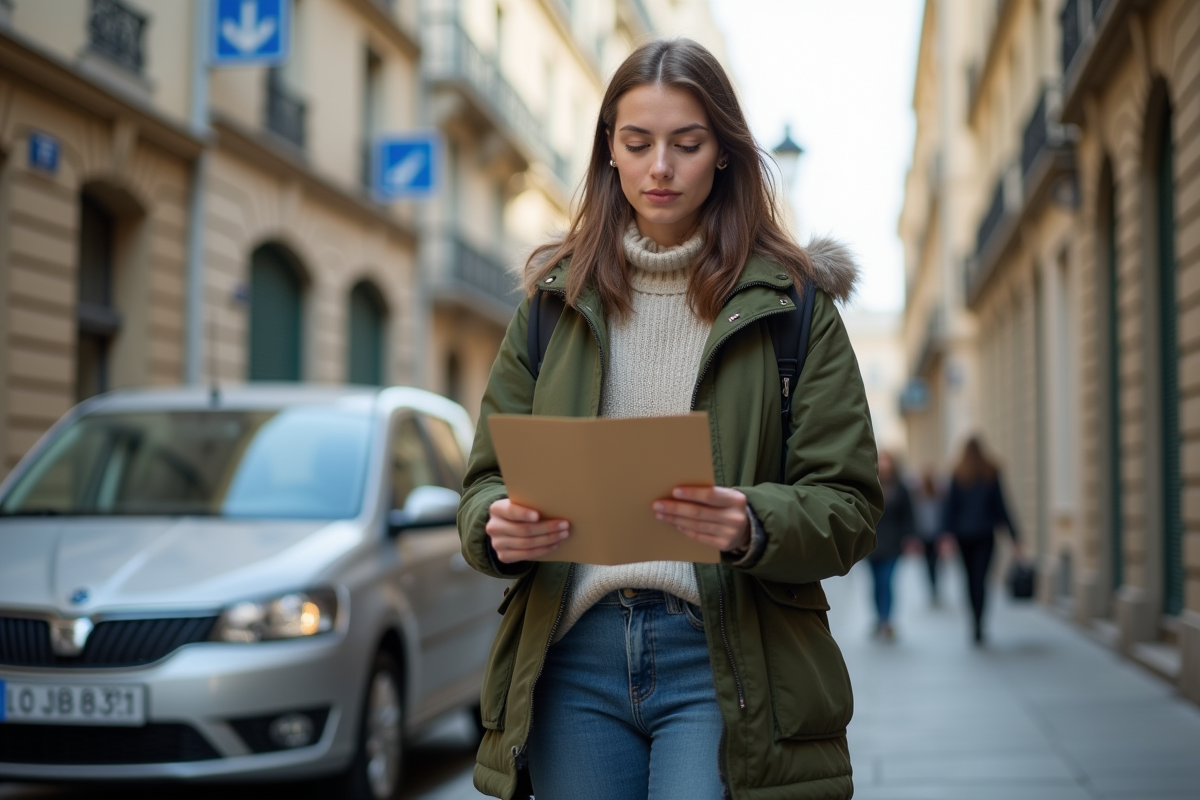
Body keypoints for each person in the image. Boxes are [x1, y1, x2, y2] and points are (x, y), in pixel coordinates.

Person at [456, 38, 882, 800]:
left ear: (722, 152)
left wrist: (751, 520)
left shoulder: (795, 307)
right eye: (637, 142)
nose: (660, 167)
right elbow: (485, 480)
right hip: (571, 657)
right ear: (608, 152)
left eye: (687, 144)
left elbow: (849, 507)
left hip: (724, 658)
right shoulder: (550, 305)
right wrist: (497, 525)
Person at [941, 436, 1020, 645]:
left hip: (963, 535)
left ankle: (973, 622)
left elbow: (950, 508)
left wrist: (946, 535)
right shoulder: (991, 472)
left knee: (969, 580)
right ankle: (980, 622)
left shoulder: (958, 473)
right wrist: (1015, 536)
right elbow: (1002, 507)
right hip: (985, 535)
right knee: (982, 579)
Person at [867, 451, 914, 641]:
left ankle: (886, 621)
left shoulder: (901, 488)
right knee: (876, 585)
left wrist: (910, 538)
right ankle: (879, 618)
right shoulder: (870, 487)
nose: (885, 465)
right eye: (882, 461)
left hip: (894, 545)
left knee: (887, 582)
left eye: (888, 461)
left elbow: (909, 516)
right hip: (871, 545)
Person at [912, 467, 946, 606]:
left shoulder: (939, 496)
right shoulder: (918, 496)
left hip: (936, 535)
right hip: (924, 536)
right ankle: (932, 589)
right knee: (929, 564)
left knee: (935, 564)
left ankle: (935, 588)